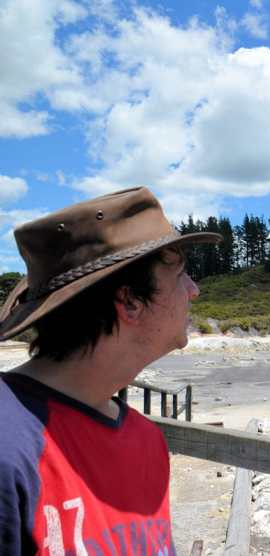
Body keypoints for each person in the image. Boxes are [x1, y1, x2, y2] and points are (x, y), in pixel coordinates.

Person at [0, 187, 221, 555]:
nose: (194, 290)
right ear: (130, 301)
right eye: (181, 274)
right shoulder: (10, 449)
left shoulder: (147, 440)